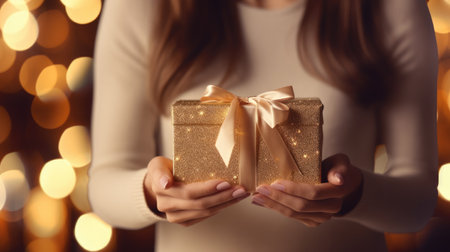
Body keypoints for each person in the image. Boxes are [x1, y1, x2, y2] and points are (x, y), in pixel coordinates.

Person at [89, 0, 438, 251]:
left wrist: (354, 195)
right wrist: (151, 194)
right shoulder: (140, 7)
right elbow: (105, 184)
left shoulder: (391, 8)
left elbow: (419, 202)